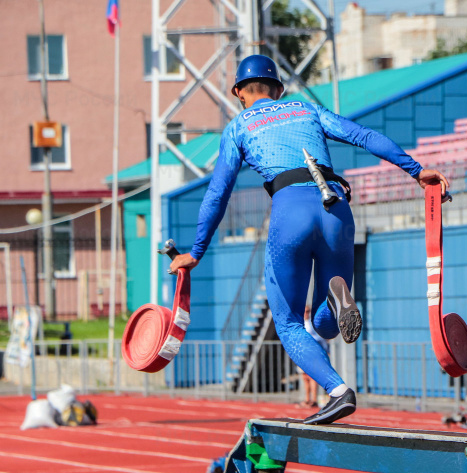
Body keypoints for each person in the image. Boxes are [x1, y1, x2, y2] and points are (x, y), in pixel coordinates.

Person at [169, 55, 449, 425]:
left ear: (238, 92)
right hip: (336, 210)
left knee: (287, 323)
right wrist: (416, 170)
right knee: (326, 326)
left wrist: (197, 252)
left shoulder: (238, 128)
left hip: (290, 211)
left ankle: (337, 391)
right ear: (279, 89)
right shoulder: (306, 109)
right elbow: (363, 136)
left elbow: (217, 194)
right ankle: (336, 296)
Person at [298, 305, 329, 409]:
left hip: (312, 353)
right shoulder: (299, 323)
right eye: (304, 311)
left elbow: (320, 338)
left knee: (312, 377)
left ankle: (314, 399)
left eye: (308, 311)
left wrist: (326, 350)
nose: (306, 313)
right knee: (304, 377)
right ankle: (307, 399)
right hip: (302, 353)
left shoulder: (312, 324)